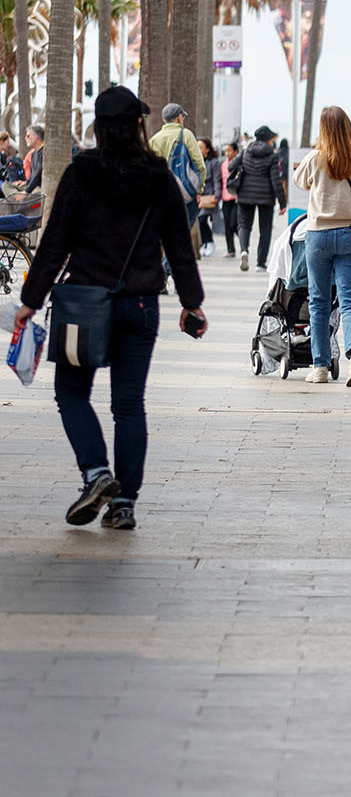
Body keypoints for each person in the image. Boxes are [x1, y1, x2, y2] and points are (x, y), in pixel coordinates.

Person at [14, 86, 207, 532]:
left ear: (98, 128)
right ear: (139, 125)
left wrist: (30, 302)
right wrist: (191, 304)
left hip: (85, 305)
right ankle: (123, 504)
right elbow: (179, 246)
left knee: (71, 393)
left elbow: (54, 243)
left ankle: (96, 472)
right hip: (140, 305)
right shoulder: (158, 175)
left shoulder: (82, 171)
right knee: (128, 405)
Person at [292, 106, 351, 386]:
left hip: (319, 235)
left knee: (319, 302)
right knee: (350, 300)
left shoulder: (316, 158)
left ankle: (320, 367)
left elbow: (298, 181)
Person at [148, 103, 206, 239]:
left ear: (164, 120)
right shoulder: (186, 135)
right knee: (181, 235)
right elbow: (199, 164)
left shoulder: (154, 139)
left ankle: (164, 260)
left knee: (166, 234)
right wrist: (199, 189)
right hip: (186, 193)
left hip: (162, 193)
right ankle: (165, 262)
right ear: (179, 117)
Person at [234, 126, 284, 272]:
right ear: (268, 139)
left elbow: (231, 166)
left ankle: (244, 250)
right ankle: (260, 263)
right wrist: (282, 202)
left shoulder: (245, 152)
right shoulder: (272, 155)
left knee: (244, 225)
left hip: (245, 194)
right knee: (265, 229)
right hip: (266, 196)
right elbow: (276, 180)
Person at [217, 140, 240, 259]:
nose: (227, 153)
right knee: (227, 225)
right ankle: (230, 249)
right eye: (225, 151)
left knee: (233, 223)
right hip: (225, 197)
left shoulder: (239, 164)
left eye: (229, 150)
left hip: (236, 198)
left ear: (235, 152)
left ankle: (243, 243)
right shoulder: (223, 164)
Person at [196, 138, 219, 254]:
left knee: (202, 219)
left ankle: (209, 242)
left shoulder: (214, 162)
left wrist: (217, 194)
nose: (198, 149)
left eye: (201, 147)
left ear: (207, 149)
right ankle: (205, 243)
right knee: (199, 220)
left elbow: (216, 180)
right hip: (198, 196)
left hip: (209, 195)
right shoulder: (196, 161)